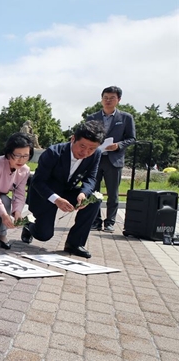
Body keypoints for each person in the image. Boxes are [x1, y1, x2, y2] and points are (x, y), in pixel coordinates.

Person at [22, 121, 105, 258]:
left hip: (68, 191)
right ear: (73, 139)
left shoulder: (96, 155)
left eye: (92, 149)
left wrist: (83, 193)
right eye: (82, 146)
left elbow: (91, 178)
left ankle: (74, 243)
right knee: (44, 235)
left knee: (94, 201)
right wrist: (56, 199)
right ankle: (28, 225)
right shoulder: (53, 153)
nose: (85, 152)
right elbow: (37, 181)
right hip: (45, 194)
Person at [86, 86, 136, 233]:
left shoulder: (126, 118)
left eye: (111, 98)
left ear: (118, 100)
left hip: (114, 160)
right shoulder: (92, 118)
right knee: (93, 192)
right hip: (95, 159)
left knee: (113, 194)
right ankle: (95, 221)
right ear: (101, 99)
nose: (108, 101)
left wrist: (119, 145)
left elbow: (132, 138)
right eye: (105, 98)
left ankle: (110, 222)